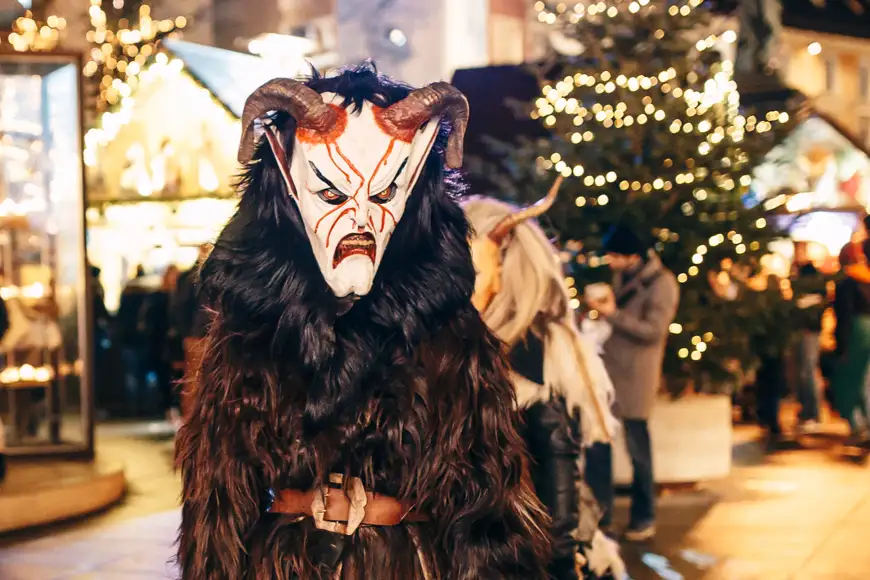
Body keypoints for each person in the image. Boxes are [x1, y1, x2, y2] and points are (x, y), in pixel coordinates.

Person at [175, 65, 551, 579]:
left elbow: (485, 502)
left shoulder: (446, 332)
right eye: (332, 195)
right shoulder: (253, 332)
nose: (358, 220)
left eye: (379, 196)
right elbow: (218, 503)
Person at [464, 188, 624, 580]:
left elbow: (557, 461)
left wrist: (560, 560)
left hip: (520, 548)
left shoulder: (534, 346)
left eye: (475, 271)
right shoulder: (459, 343)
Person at [585, 224, 679, 542]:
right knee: (599, 443)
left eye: (614, 256)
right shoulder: (624, 277)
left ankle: (644, 516)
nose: (610, 262)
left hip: (637, 375)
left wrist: (611, 314)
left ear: (631, 256)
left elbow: (654, 331)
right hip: (609, 372)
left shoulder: (662, 283)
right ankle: (602, 515)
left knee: (638, 448)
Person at [831, 242, 870, 446]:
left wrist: (841, 346)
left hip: (857, 334)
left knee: (850, 383)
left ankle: (859, 425)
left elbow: (844, 316)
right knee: (866, 381)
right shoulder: (866, 277)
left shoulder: (847, 282)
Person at [790, 242, 826, 433]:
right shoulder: (796, 273)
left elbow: (819, 301)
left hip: (809, 329)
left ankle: (812, 413)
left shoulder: (811, 275)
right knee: (803, 371)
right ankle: (807, 411)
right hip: (802, 329)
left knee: (808, 370)